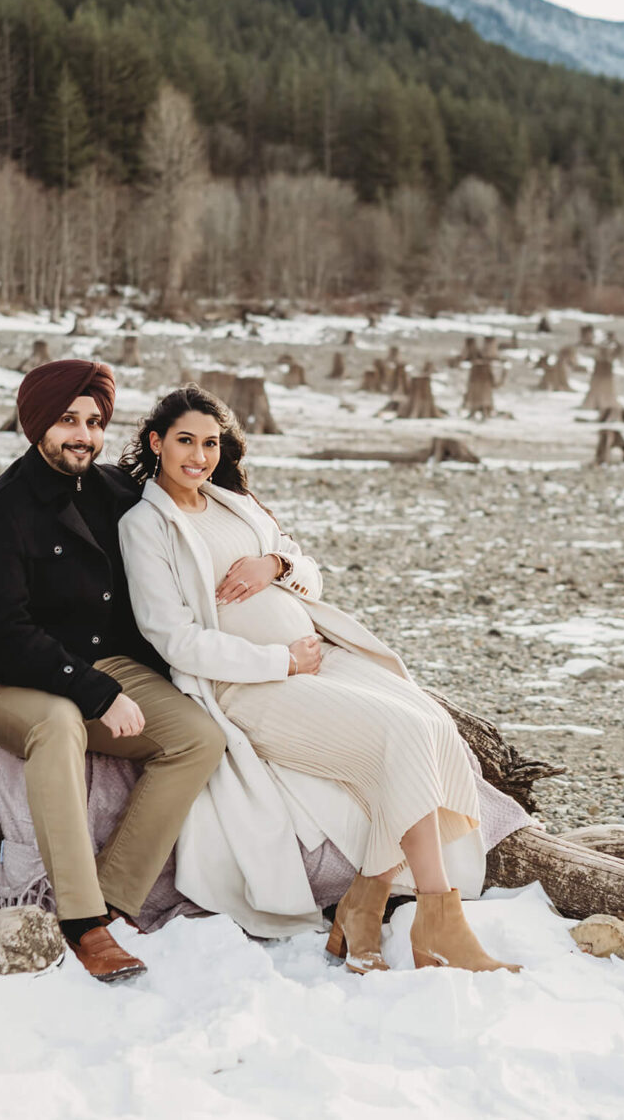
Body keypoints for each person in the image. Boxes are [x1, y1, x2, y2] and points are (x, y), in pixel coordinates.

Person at [116, 385, 518, 974]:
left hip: (320, 655)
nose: (198, 456)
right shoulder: (146, 526)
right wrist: (281, 661)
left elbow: (310, 572)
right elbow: (173, 639)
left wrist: (274, 564)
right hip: (250, 686)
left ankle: (366, 901)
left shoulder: (235, 503)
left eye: (209, 443)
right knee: (399, 732)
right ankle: (439, 918)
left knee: (430, 719)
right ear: (156, 443)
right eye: (184, 442)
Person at [0, 361, 226, 981]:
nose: (84, 436)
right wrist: (97, 692)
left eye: (94, 423)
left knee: (199, 738)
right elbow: (5, 633)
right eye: (68, 421)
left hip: (101, 659)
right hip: (1, 674)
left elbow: (214, 508)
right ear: (38, 424)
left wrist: (279, 561)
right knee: (60, 723)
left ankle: (115, 897)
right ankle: (80, 922)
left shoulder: (119, 493)